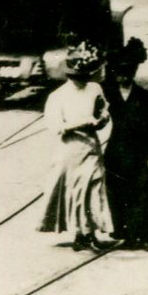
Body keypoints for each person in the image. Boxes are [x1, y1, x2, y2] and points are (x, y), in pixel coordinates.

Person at [40, 42, 114, 251]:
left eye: (84, 76)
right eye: (76, 77)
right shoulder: (57, 97)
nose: (81, 80)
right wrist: (82, 123)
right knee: (77, 192)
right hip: (70, 149)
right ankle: (82, 234)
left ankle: (89, 233)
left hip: (91, 146)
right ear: (68, 75)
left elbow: (103, 111)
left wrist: (102, 119)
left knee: (94, 187)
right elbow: (55, 127)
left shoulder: (95, 88)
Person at [101, 39, 148, 248]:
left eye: (128, 73)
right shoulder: (108, 94)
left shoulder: (143, 96)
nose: (124, 77)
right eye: (121, 73)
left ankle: (142, 235)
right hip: (114, 152)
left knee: (141, 193)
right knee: (117, 193)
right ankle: (124, 232)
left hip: (138, 153)